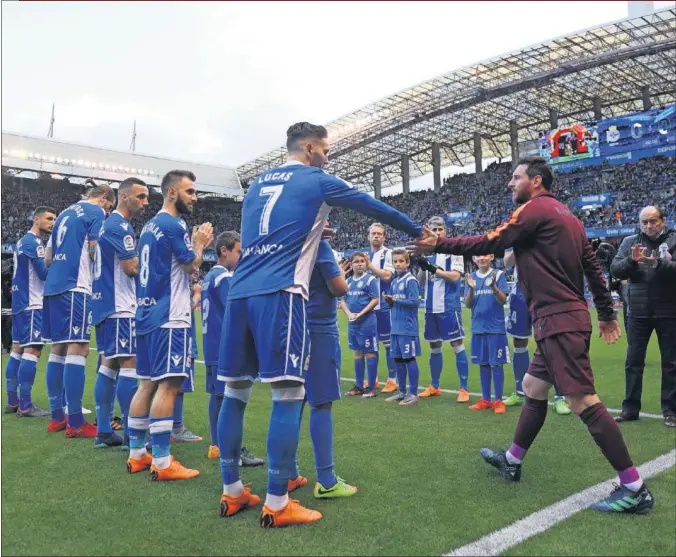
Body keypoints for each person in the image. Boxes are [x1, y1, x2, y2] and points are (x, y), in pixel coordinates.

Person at [409, 156, 654, 513]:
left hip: (558, 321)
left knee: (582, 400)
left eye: (515, 177)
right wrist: (603, 313)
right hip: (564, 318)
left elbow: (492, 240)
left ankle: (634, 487)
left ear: (536, 181)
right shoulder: (568, 216)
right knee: (533, 388)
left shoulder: (533, 210)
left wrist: (440, 245)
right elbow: (592, 268)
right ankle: (513, 459)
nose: (510, 183)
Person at [216, 122, 422, 528]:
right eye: (324, 148)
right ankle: (278, 501)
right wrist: (421, 232)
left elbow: (268, 229)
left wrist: (312, 227)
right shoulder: (318, 178)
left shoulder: (257, 183)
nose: (327, 155)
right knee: (290, 394)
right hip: (281, 292)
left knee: (235, 392)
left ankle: (233, 490)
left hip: (241, 291)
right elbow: (376, 208)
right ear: (309, 148)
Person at [126, 170, 213, 481]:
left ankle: (137, 454)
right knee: (169, 385)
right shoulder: (173, 223)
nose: (195, 197)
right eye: (190, 191)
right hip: (170, 316)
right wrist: (200, 243)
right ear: (173, 193)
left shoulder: (149, 226)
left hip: (146, 314)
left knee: (146, 384)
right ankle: (162, 462)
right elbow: (191, 264)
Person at [44, 184, 116, 436]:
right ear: (105, 199)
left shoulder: (64, 213)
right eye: (110, 207)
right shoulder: (95, 212)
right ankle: (75, 422)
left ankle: (57, 417)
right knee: (79, 348)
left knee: (58, 349)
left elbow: (48, 258)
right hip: (75, 285)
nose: (108, 211)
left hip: (53, 285)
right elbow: (95, 249)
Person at [91, 178, 149, 449]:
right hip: (120, 305)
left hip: (105, 304)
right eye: (141, 196)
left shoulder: (109, 225)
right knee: (129, 363)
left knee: (109, 364)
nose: (145, 202)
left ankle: (104, 430)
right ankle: (130, 432)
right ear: (124, 197)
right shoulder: (118, 225)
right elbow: (131, 268)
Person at [610, 206, 676, 428]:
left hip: (669, 311)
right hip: (638, 312)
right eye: (644, 222)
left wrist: (656, 263)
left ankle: (671, 411)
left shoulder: (674, 241)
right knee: (633, 362)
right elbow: (616, 269)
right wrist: (632, 261)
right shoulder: (630, 243)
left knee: (671, 362)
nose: (649, 226)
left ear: (662, 221)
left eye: (653, 221)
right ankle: (630, 409)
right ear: (639, 223)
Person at [202, 231, 264, 466]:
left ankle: (217, 445)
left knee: (217, 396)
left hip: (211, 344)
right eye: (239, 251)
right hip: (223, 345)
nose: (242, 256)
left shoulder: (210, 277)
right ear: (224, 251)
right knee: (229, 399)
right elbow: (237, 308)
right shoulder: (224, 278)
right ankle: (230, 451)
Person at [304, 239, 357, 498]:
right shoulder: (318, 246)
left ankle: (288, 474)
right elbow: (338, 288)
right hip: (319, 329)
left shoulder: (289, 241)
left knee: (291, 401)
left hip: (295, 326)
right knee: (321, 403)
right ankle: (326, 479)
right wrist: (338, 271)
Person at [503, 249, 571, 416]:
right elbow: (507, 262)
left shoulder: (547, 228)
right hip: (520, 293)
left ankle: (560, 396)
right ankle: (520, 391)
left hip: (546, 293)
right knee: (519, 343)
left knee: (552, 342)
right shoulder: (515, 228)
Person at [5, 206, 56, 417]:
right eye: (49, 218)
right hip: (32, 303)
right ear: (36, 219)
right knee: (33, 350)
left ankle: (13, 401)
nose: (52, 222)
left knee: (17, 350)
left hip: (19, 303)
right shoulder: (34, 243)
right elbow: (44, 274)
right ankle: (25, 405)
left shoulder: (21, 242)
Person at [415, 216, 469, 401]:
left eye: (440, 230)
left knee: (457, 344)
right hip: (430, 307)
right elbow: (421, 281)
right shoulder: (427, 252)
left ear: (445, 231)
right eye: (434, 230)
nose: (437, 233)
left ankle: (464, 389)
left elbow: (455, 277)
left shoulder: (454, 251)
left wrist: (432, 268)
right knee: (434, 346)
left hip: (449, 306)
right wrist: (422, 264)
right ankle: (434, 386)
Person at [464, 254, 509, 414]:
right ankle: (485, 399)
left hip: (495, 329)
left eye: (485, 255)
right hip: (478, 328)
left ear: (491, 256)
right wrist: (470, 288)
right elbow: (468, 304)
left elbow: (503, 300)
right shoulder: (471, 277)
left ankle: (498, 401)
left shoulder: (499, 275)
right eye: (478, 256)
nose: (481, 258)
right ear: (474, 258)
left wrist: (493, 287)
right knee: (483, 364)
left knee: (496, 364)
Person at [383, 249, 421, 406]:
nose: (398, 264)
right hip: (396, 328)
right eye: (395, 261)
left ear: (407, 262)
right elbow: (394, 303)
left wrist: (395, 301)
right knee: (398, 359)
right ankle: (402, 391)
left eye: (401, 261)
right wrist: (389, 301)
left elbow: (415, 302)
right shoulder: (394, 282)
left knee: (409, 359)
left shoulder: (410, 280)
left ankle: (413, 393)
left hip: (407, 328)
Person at [170, 270, 203, 443]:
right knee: (178, 385)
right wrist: (197, 296)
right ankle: (177, 427)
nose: (195, 272)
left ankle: (169, 425)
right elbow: (185, 307)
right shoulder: (178, 282)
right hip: (181, 339)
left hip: (172, 336)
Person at [342, 252, 380, 397]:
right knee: (357, 352)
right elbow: (343, 301)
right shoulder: (348, 281)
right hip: (353, 323)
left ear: (366, 264)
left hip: (367, 322)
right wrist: (349, 314)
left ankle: (371, 387)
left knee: (369, 352)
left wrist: (361, 313)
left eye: (362, 261)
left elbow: (375, 299)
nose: (359, 264)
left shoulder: (370, 280)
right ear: (351, 265)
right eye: (356, 261)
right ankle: (359, 386)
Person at [366, 223, 395, 392]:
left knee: (388, 343)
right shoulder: (366, 254)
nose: (376, 236)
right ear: (369, 236)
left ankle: (392, 379)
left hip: (384, 304)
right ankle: (373, 379)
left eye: (379, 234)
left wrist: (370, 266)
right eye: (373, 233)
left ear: (384, 237)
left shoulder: (388, 254)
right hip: (369, 306)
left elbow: (387, 276)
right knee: (371, 344)